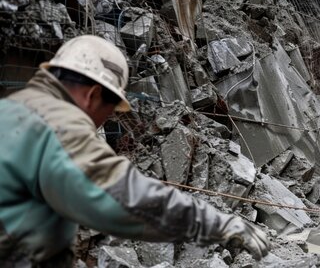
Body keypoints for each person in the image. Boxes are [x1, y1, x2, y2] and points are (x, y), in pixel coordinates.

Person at [0, 35, 269, 266]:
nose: (103, 122)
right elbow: (123, 199)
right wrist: (219, 223)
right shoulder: (58, 124)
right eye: (108, 111)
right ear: (93, 95)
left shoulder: (13, 110)